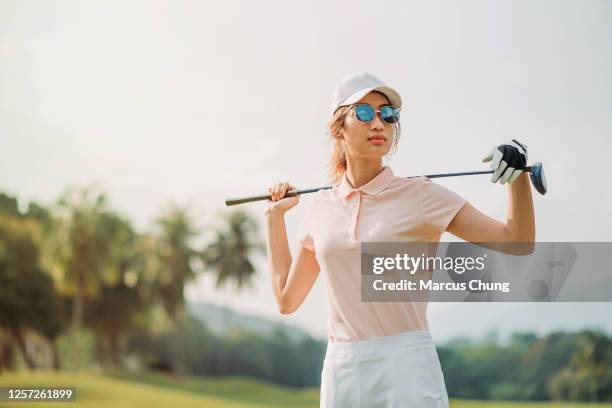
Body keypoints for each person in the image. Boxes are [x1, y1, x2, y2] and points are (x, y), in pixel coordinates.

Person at [264, 72, 535, 407]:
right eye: (364, 112)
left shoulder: (420, 194)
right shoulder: (321, 206)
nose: (378, 123)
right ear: (338, 128)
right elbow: (287, 301)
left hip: (405, 365)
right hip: (341, 369)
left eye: (387, 114)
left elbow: (517, 242)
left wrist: (517, 176)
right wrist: (274, 218)